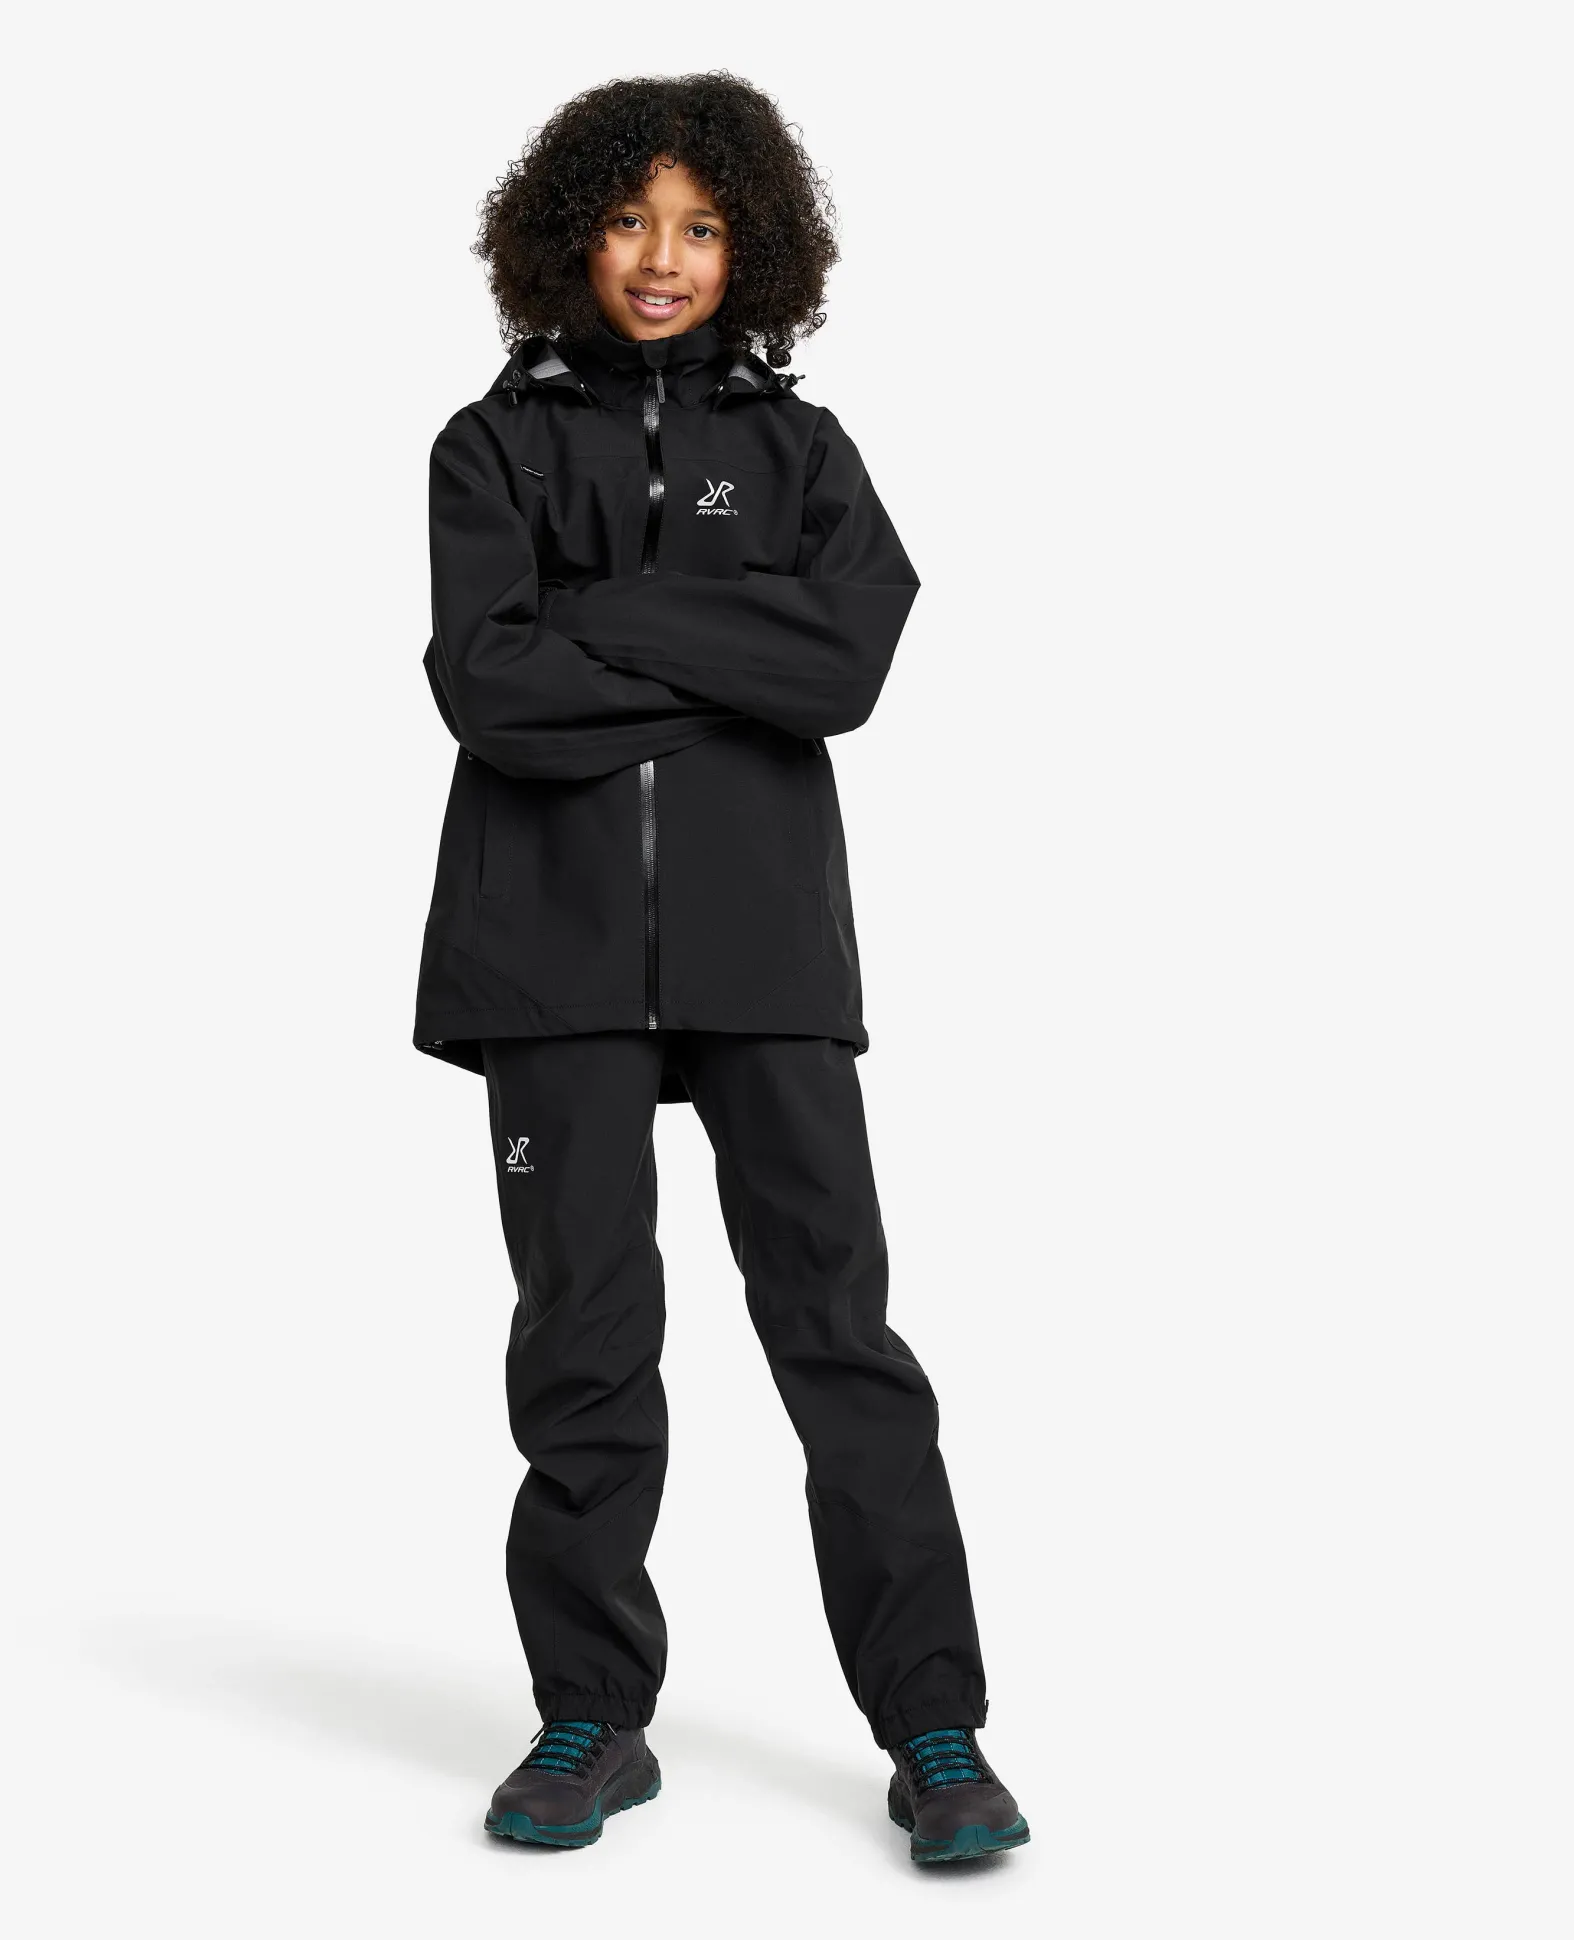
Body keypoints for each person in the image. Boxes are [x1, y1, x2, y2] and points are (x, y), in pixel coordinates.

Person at [412, 73, 1029, 1866]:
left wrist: (601, 622)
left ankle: (935, 1728)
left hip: (766, 954)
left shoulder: (806, 453)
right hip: (549, 953)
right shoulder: (489, 448)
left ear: (750, 248)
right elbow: (489, 689)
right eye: (629, 221)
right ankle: (590, 1718)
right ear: (570, 237)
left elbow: (845, 664)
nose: (662, 258)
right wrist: (734, 655)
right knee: (585, 1342)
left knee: (840, 1334)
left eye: (699, 227)